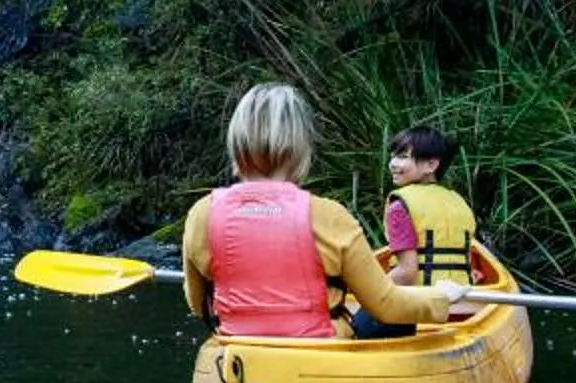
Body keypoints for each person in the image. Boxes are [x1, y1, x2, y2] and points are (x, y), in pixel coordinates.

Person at [181, 84, 454, 341]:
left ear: (236, 142)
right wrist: (441, 297)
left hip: (238, 361)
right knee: (398, 318)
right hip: (318, 359)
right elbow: (386, 304)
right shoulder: (329, 216)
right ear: (301, 147)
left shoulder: (202, 214)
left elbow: (198, 305)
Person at [383, 125, 481, 288]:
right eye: (392, 157)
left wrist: (369, 290)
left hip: (420, 300)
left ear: (431, 165)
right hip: (463, 298)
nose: (392, 164)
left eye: (402, 156)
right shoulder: (459, 202)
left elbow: (407, 273)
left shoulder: (400, 206)